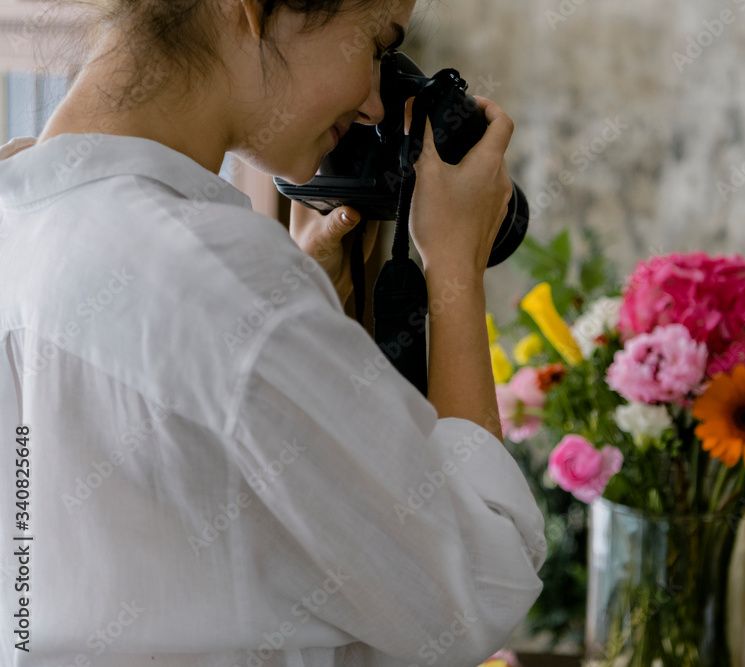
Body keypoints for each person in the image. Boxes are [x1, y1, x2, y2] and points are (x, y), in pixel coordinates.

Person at [0, 0, 545, 665]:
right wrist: (455, 266)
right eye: (377, 44)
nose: (377, 103)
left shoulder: (19, 221)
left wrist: (306, 337)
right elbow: (478, 589)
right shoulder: (223, 275)